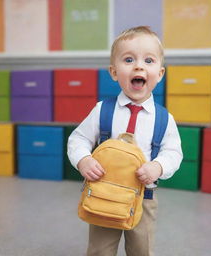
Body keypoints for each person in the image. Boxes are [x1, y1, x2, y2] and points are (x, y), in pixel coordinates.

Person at [67, 26, 183, 256]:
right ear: (113, 71)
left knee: (142, 248)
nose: (138, 66)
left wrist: (158, 166)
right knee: (100, 249)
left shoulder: (163, 118)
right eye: (128, 59)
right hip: (104, 193)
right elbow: (78, 139)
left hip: (144, 197)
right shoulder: (102, 110)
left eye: (148, 60)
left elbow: (173, 153)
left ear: (159, 74)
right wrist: (84, 160)